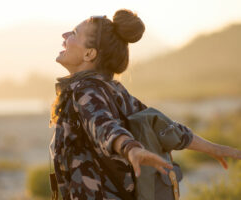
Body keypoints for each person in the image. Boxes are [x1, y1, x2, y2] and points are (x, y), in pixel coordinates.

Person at [49, 9, 241, 200]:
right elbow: (165, 127)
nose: (65, 35)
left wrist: (130, 148)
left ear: (89, 54)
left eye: (73, 33)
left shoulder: (85, 90)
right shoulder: (114, 89)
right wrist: (213, 148)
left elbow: (103, 126)